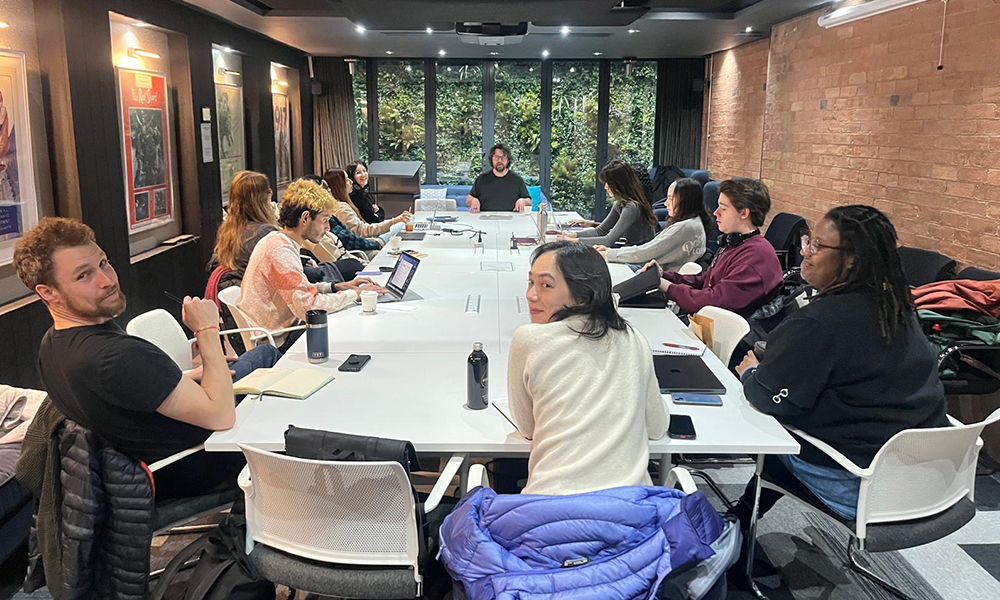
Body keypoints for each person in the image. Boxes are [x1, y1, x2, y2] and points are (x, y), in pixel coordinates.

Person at [13, 217, 281, 499]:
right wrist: (207, 329)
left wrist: (186, 376)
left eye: (103, 263)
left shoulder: (52, 345)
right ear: (48, 292)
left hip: (149, 466)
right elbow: (221, 416)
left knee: (260, 362)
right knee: (266, 356)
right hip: (198, 464)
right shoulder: (115, 356)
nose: (107, 280)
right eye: (84, 276)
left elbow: (126, 393)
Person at [729, 205, 949, 525]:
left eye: (817, 245)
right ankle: (740, 519)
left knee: (763, 434)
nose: (804, 252)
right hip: (925, 481)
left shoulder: (820, 322)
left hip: (861, 485)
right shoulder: (896, 308)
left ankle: (735, 527)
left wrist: (751, 372)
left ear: (851, 260)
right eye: (808, 241)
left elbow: (768, 398)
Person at [507, 241, 668, 495]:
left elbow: (527, 429)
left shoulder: (529, 339)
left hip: (550, 508)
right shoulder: (634, 338)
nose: (531, 295)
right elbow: (658, 428)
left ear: (583, 295)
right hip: (630, 511)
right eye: (530, 282)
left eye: (546, 285)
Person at [238, 179, 384, 350]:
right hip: (280, 340)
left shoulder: (277, 241)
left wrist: (339, 286)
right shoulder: (280, 251)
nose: (328, 228)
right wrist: (355, 293)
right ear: (306, 218)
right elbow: (309, 307)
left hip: (282, 329)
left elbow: (300, 290)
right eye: (324, 220)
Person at [642, 178, 782, 317]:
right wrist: (664, 275)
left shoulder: (756, 256)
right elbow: (706, 280)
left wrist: (666, 286)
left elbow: (713, 301)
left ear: (744, 213)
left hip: (718, 327)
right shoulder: (734, 242)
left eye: (723, 208)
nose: (716, 212)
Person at [596, 178, 710, 270]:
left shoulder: (686, 227)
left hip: (658, 275)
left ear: (685, 201)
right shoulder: (696, 222)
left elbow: (647, 252)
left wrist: (609, 254)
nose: (666, 203)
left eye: (670, 198)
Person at [561, 160, 659, 249]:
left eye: (607, 183)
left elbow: (608, 240)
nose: (605, 187)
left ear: (618, 184)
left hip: (637, 257)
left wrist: (571, 241)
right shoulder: (620, 204)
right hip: (627, 252)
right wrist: (569, 236)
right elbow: (600, 231)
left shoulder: (631, 207)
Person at [212, 170, 279, 291]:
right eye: (269, 192)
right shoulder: (266, 233)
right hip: (254, 295)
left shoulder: (227, 230)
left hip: (233, 294)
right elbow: (283, 275)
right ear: (262, 200)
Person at [323, 168, 410, 242]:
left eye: (364, 171)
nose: (351, 182)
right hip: (368, 241)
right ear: (339, 185)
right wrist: (394, 221)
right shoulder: (343, 207)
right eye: (347, 180)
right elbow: (364, 230)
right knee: (400, 225)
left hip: (369, 236)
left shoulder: (357, 197)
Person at [466, 143, 532, 213]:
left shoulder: (517, 180)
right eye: (496, 157)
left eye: (503, 157)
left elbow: (529, 202)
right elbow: (468, 200)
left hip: (511, 217)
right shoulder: (481, 179)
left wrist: (523, 201)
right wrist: (473, 200)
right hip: (485, 217)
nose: (499, 161)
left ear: (508, 160)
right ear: (491, 159)